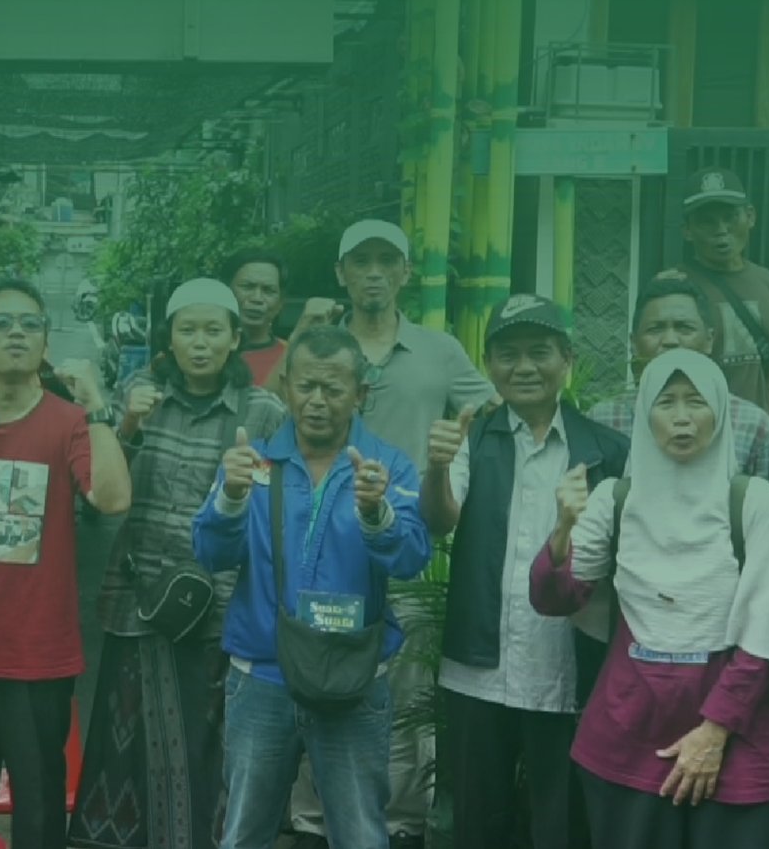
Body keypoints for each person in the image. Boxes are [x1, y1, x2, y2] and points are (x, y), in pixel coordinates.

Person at [530, 349, 769, 849]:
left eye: (697, 402)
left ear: (721, 412)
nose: (682, 417)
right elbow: (556, 599)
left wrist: (715, 730)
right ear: (644, 414)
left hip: (737, 735)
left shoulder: (753, 502)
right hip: (628, 729)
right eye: (667, 402)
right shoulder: (615, 499)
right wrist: (561, 533)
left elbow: (768, 627)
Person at [282, 218, 493, 849]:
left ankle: (398, 821)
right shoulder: (321, 347)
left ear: (405, 273)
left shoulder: (440, 350)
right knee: (309, 675)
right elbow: (272, 406)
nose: (374, 272)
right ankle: (309, 819)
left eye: (387, 261)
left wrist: (450, 466)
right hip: (322, 543)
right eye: (360, 261)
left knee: (400, 692)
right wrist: (300, 335)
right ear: (342, 273)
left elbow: (485, 408)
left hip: (402, 545)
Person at [194, 323, 432, 849]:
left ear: (360, 394)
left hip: (355, 675)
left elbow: (414, 558)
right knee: (243, 832)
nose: (317, 401)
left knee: (361, 834)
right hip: (261, 674)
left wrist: (377, 514)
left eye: (333, 388)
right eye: (306, 386)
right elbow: (211, 555)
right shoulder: (252, 461)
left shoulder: (386, 466)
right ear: (287, 388)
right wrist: (230, 499)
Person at [0, 278, 133, 849]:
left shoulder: (70, 421)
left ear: (45, 342)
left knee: (38, 803)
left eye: (29, 324)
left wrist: (99, 409)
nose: (15, 334)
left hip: (36, 653)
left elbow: (112, 499)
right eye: (1, 323)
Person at [69, 279, 287, 849]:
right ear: (170, 337)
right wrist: (128, 428)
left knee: (204, 734)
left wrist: (249, 477)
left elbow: (274, 500)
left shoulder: (262, 410)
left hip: (219, 601)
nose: (200, 342)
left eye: (213, 330)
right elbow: (101, 493)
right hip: (139, 594)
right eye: (188, 330)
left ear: (235, 338)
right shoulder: (139, 393)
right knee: (130, 735)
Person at [421, 296, 628, 849]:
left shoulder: (606, 450)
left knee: (561, 824)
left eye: (540, 352)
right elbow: (441, 520)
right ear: (488, 363)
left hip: (569, 669)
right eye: (508, 354)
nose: (524, 367)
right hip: (478, 665)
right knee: (477, 820)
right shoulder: (473, 436)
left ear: (568, 359)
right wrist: (437, 466)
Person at [587, 277, 769, 483]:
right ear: (634, 344)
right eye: (655, 329)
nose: (670, 341)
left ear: (709, 340)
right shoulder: (601, 421)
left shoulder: (753, 425)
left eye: (684, 328)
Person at [666, 167, 769, 422]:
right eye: (707, 221)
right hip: (695, 431)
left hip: (755, 433)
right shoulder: (673, 287)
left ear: (750, 217)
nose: (721, 230)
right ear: (687, 230)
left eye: (730, 217)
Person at [221, 248, 289, 388]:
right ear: (225, 291)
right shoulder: (198, 351)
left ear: (280, 302)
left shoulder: (292, 354)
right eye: (247, 287)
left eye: (268, 290)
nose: (257, 298)